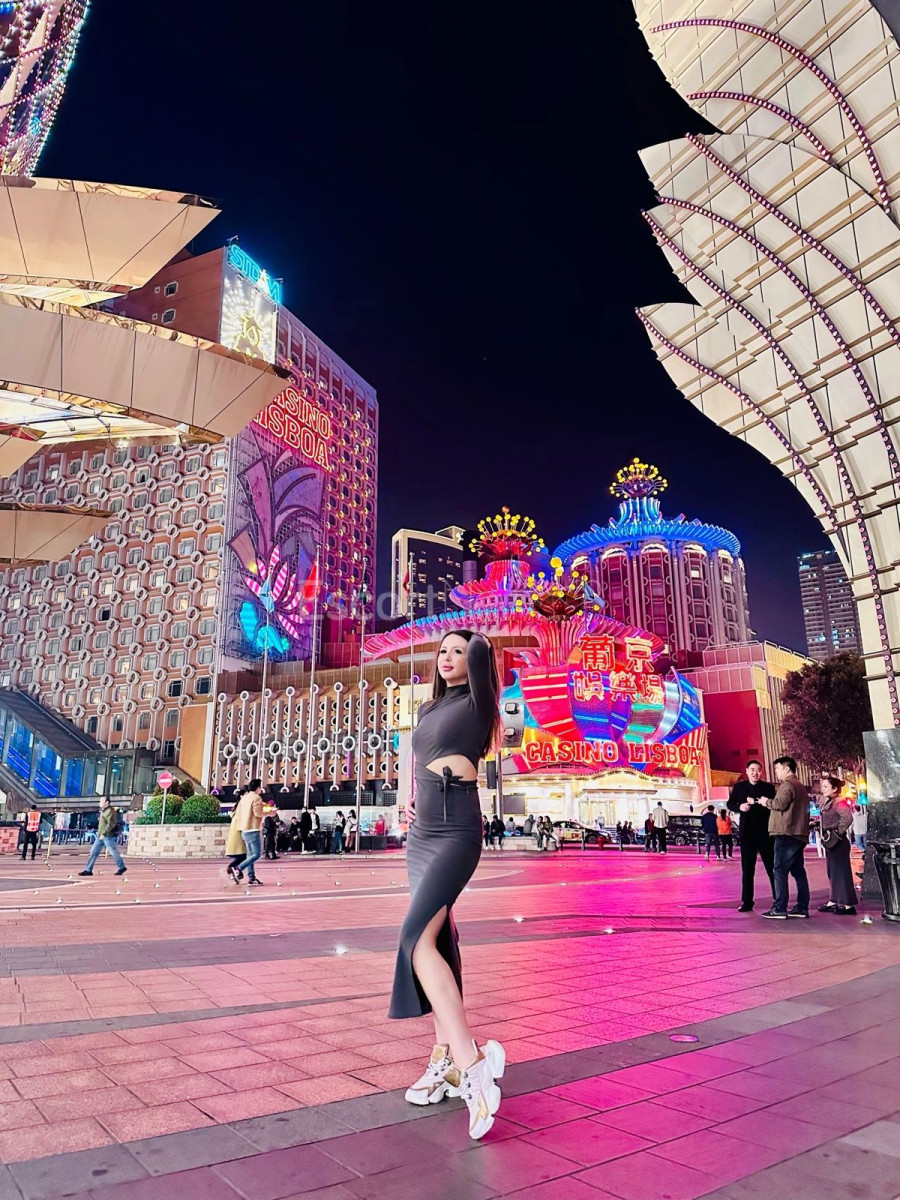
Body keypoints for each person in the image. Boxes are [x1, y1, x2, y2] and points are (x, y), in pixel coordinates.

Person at [392, 630, 506, 1139]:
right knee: (437, 941)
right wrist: (406, 798)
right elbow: (416, 759)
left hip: (458, 825)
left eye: (456, 651)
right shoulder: (427, 709)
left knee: (415, 941)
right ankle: (445, 1059)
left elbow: (481, 648)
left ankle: (471, 1062)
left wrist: (469, 627)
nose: (448, 657)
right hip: (422, 832)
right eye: (442, 651)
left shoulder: (480, 702)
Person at [761, 756, 810, 919]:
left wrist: (766, 802)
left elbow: (779, 804)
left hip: (786, 833)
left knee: (779, 870)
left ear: (787, 768)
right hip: (799, 834)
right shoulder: (800, 785)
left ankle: (780, 907)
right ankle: (802, 907)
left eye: (777, 769)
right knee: (798, 871)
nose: (776, 772)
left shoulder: (788, 784)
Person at [727, 759, 776, 912]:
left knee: (772, 868)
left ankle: (778, 900)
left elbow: (775, 806)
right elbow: (730, 804)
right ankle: (747, 901)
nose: (755, 773)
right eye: (752, 770)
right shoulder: (739, 787)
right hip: (747, 834)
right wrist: (739, 807)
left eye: (758, 770)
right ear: (747, 771)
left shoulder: (768, 788)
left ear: (761, 772)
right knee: (747, 870)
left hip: (765, 834)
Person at [818, 776, 857, 915]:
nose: (823, 789)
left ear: (835, 789)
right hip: (831, 843)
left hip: (838, 843)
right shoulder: (830, 801)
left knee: (841, 873)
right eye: (822, 786)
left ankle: (848, 905)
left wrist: (837, 832)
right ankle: (833, 900)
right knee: (833, 872)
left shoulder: (839, 802)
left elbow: (847, 818)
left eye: (825, 787)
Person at [78, 798, 127, 877]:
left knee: (113, 851)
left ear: (107, 802)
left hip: (107, 835)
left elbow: (111, 824)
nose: (100, 803)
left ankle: (122, 867)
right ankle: (88, 870)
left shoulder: (110, 811)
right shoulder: (104, 810)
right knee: (93, 852)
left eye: (101, 801)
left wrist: (104, 833)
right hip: (101, 835)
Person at [231, 778, 264, 886]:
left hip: (244, 830)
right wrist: (270, 813)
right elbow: (258, 813)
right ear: (258, 788)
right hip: (253, 829)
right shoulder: (256, 798)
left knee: (250, 855)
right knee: (256, 854)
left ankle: (251, 878)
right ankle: (238, 869)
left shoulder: (244, 799)